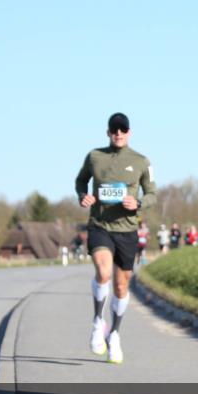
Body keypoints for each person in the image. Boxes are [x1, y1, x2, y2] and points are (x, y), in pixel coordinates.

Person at [75, 112, 157, 363]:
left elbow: (152, 193)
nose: (118, 134)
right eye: (114, 130)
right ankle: (98, 321)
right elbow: (81, 181)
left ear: (129, 132)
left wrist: (139, 202)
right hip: (100, 225)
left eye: (123, 130)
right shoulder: (94, 156)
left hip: (127, 229)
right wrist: (83, 196)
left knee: (121, 286)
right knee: (103, 272)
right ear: (108, 132)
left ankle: (115, 335)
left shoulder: (141, 161)